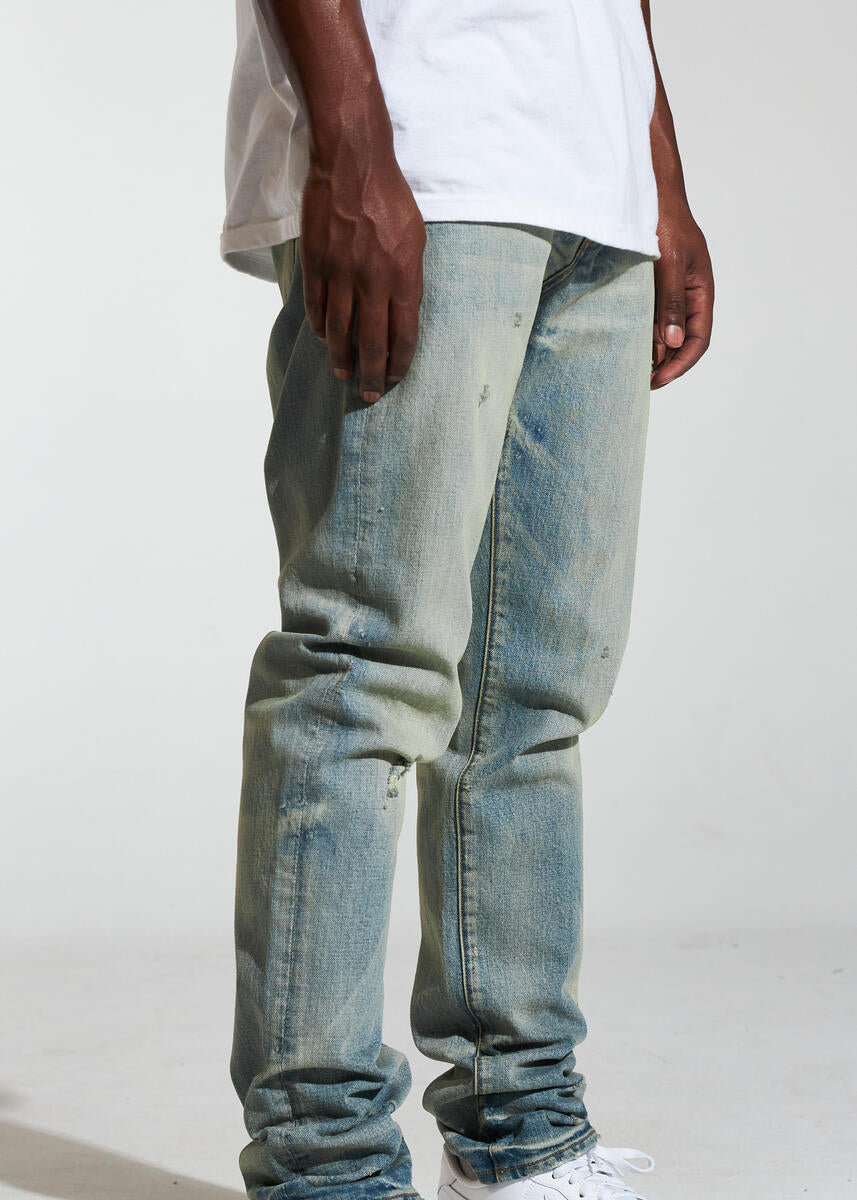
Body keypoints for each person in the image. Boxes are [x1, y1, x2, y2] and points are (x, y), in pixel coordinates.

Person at [220, 2, 714, 1199]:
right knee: (363, 672)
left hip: (592, 182)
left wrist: (656, 170)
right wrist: (350, 142)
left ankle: (519, 1136)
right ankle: (324, 1164)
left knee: (533, 695)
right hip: (422, 149)